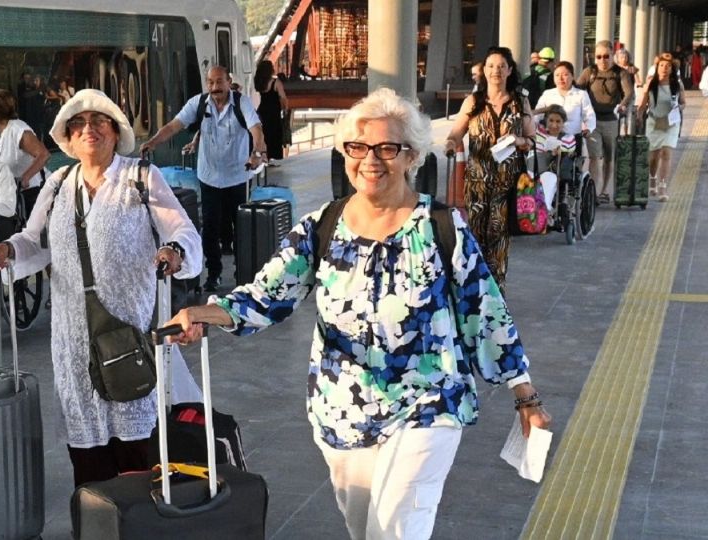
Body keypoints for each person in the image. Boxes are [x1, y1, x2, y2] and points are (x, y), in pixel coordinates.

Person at [163, 87, 550, 540]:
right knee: (368, 530)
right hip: (343, 410)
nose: (371, 159)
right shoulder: (322, 225)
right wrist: (204, 313)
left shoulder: (442, 226)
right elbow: (266, 294)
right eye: (358, 147)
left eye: (388, 148)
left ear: (411, 156)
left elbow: (485, 310)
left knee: (397, 530)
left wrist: (526, 396)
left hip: (427, 404)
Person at [0, 89, 203, 487]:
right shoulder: (58, 185)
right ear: (68, 136)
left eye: (99, 121)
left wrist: (174, 250)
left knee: (137, 452)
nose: (89, 129)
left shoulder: (141, 178)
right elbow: (34, 240)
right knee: (88, 457)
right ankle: (97, 523)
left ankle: (138, 525)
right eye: (78, 123)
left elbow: (183, 230)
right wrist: (8, 251)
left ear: (116, 132)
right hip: (73, 348)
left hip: (128, 338)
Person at [140, 65, 267, 292]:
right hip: (209, 178)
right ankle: (214, 274)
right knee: (209, 229)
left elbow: (256, 129)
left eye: (219, 82)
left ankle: (242, 275)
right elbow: (173, 126)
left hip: (237, 176)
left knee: (239, 228)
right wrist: (153, 142)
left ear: (229, 82)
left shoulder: (241, 103)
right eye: (210, 82)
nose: (215, 87)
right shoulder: (198, 104)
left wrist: (256, 153)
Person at [445, 46, 535, 291]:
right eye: (491, 66)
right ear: (483, 71)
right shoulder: (473, 101)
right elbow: (456, 132)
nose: (496, 70)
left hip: (507, 183)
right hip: (476, 182)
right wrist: (451, 144)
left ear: (509, 71)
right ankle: (474, 287)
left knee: (499, 236)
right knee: (473, 234)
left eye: (501, 66)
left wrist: (519, 142)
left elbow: (532, 140)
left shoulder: (520, 101)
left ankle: (496, 290)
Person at [576, 41, 632, 205]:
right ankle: (593, 191)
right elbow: (578, 90)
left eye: (606, 56)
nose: (602, 60)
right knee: (594, 157)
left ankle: (604, 190)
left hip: (611, 121)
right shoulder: (589, 72)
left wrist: (622, 105)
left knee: (609, 157)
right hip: (592, 122)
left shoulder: (620, 73)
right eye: (599, 56)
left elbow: (628, 93)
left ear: (612, 56)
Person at [636, 52, 686, 202]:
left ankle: (663, 186)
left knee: (666, 153)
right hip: (654, 122)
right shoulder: (651, 83)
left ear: (672, 69)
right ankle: (652, 178)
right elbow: (643, 104)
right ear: (657, 68)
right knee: (653, 157)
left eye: (668, 66)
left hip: (671, 123)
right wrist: (638, 116)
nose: (664, 68)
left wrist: (678, 108)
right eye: (662, 66)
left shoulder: (677, 84)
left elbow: (683, 102)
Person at [0, 89, 51, 218]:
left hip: (33, 194)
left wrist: (25, 177)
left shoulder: (17, 129)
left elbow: (44, 154)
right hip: (15, 196)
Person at [533, 61, 596, 141]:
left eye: (565, 75)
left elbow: (589, 115)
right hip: (550, 140)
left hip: (573, 140)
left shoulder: (581, 94)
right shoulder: (547, 94)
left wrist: (588, 129)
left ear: (572, 76)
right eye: (557, 75)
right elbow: (537, 116)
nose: (560, 78)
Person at [254, 60, 289, 166]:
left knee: (265, 135)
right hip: (274, 113)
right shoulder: (275, 82)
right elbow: (283, 98)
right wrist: (285, 109)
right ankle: (275, 158)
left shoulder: (258, 82)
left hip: (262, 111)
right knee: (275, 136)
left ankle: (265, 158)